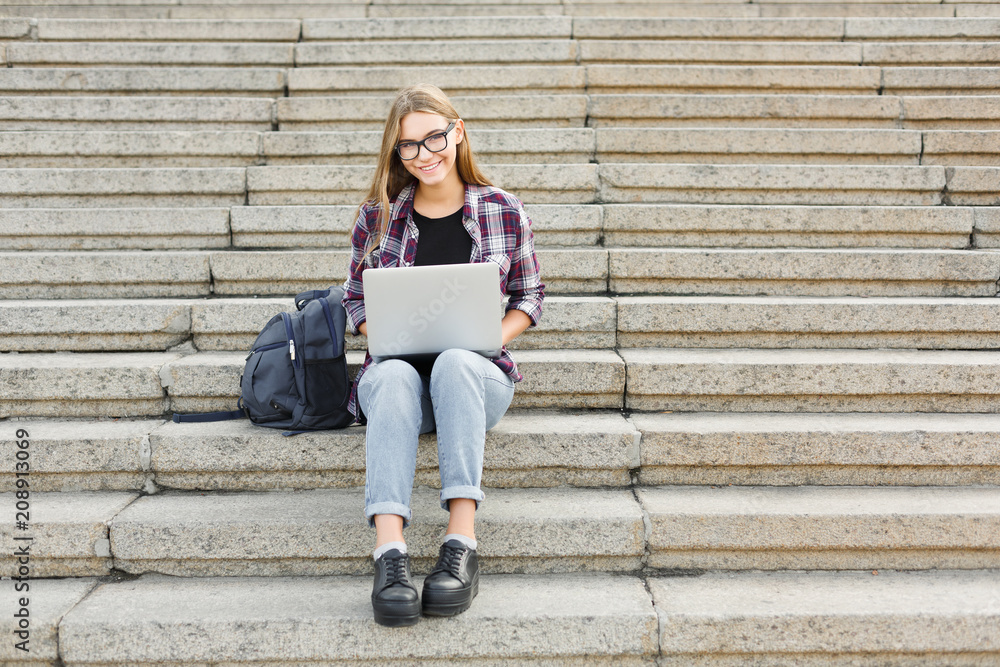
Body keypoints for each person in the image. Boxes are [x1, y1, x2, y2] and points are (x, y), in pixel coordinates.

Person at [341, 84, 545, 627]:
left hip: (476, 381)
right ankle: (390, 554)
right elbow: (354, 295)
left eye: (434, 137)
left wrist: (488, 337)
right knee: (391, 376)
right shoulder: (378, 217)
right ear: (396, 153)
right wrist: (378, 331)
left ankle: (461, 544)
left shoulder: (503, 209)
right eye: (408, 146)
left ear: (458, 131)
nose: (424, 154)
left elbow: (530, 297)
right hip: (402, 389)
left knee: (456, 361)